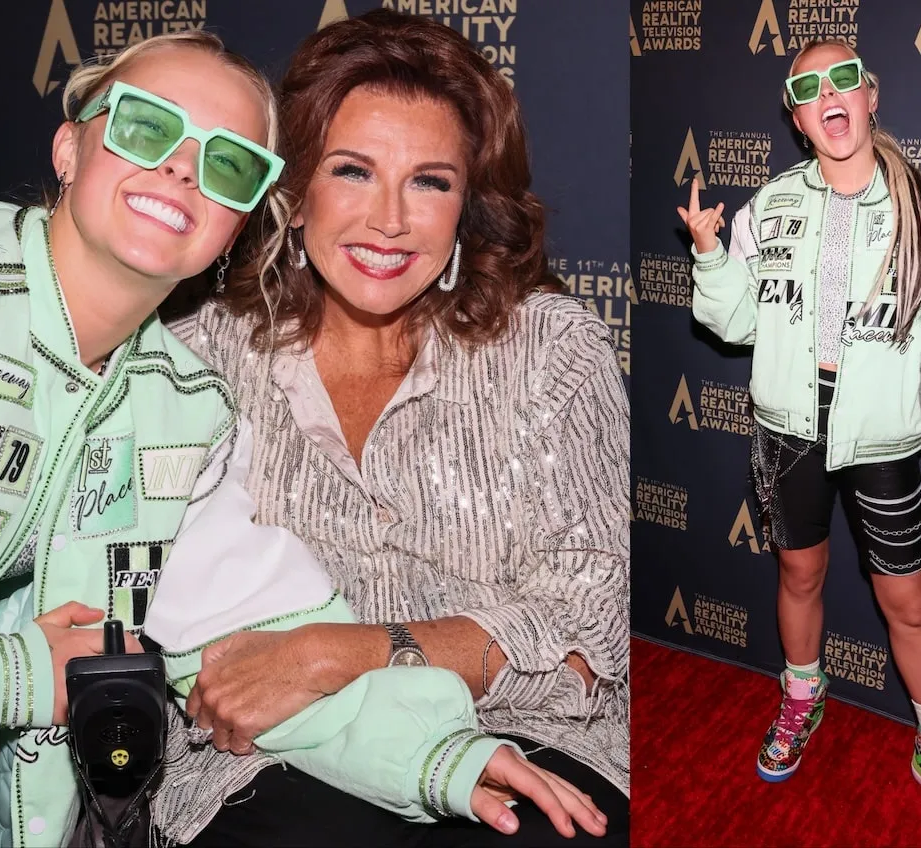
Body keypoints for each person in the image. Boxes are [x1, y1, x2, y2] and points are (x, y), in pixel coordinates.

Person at [0, 30, 606, 848]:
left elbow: (236, 622)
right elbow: (41, 675)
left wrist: (438, 754)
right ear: (69, 146)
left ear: (243, 219)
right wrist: (12, 676)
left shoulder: (180, 402)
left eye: (227, 163)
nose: (184, 170)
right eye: (146, 128)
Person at [162, 9, 630, 847]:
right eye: (352, 171)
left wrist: (332, 653)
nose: (388, 220)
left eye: (429, 181)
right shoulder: (201, 358)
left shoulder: (553, 351)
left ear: (465, 206)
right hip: (276, 751)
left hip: (527, 734)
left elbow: (591, 641)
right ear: (295, 194)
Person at [681, 38, 921, 848]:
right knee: (799, 574)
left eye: (844, 80)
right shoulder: (767, 207)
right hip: (788, 431)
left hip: (882, 436)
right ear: (799, 118)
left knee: (906, 599)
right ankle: (803, 696)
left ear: (869, 96)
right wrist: (708, 255)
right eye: (810, 88)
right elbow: (732, 323)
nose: (830, 96)